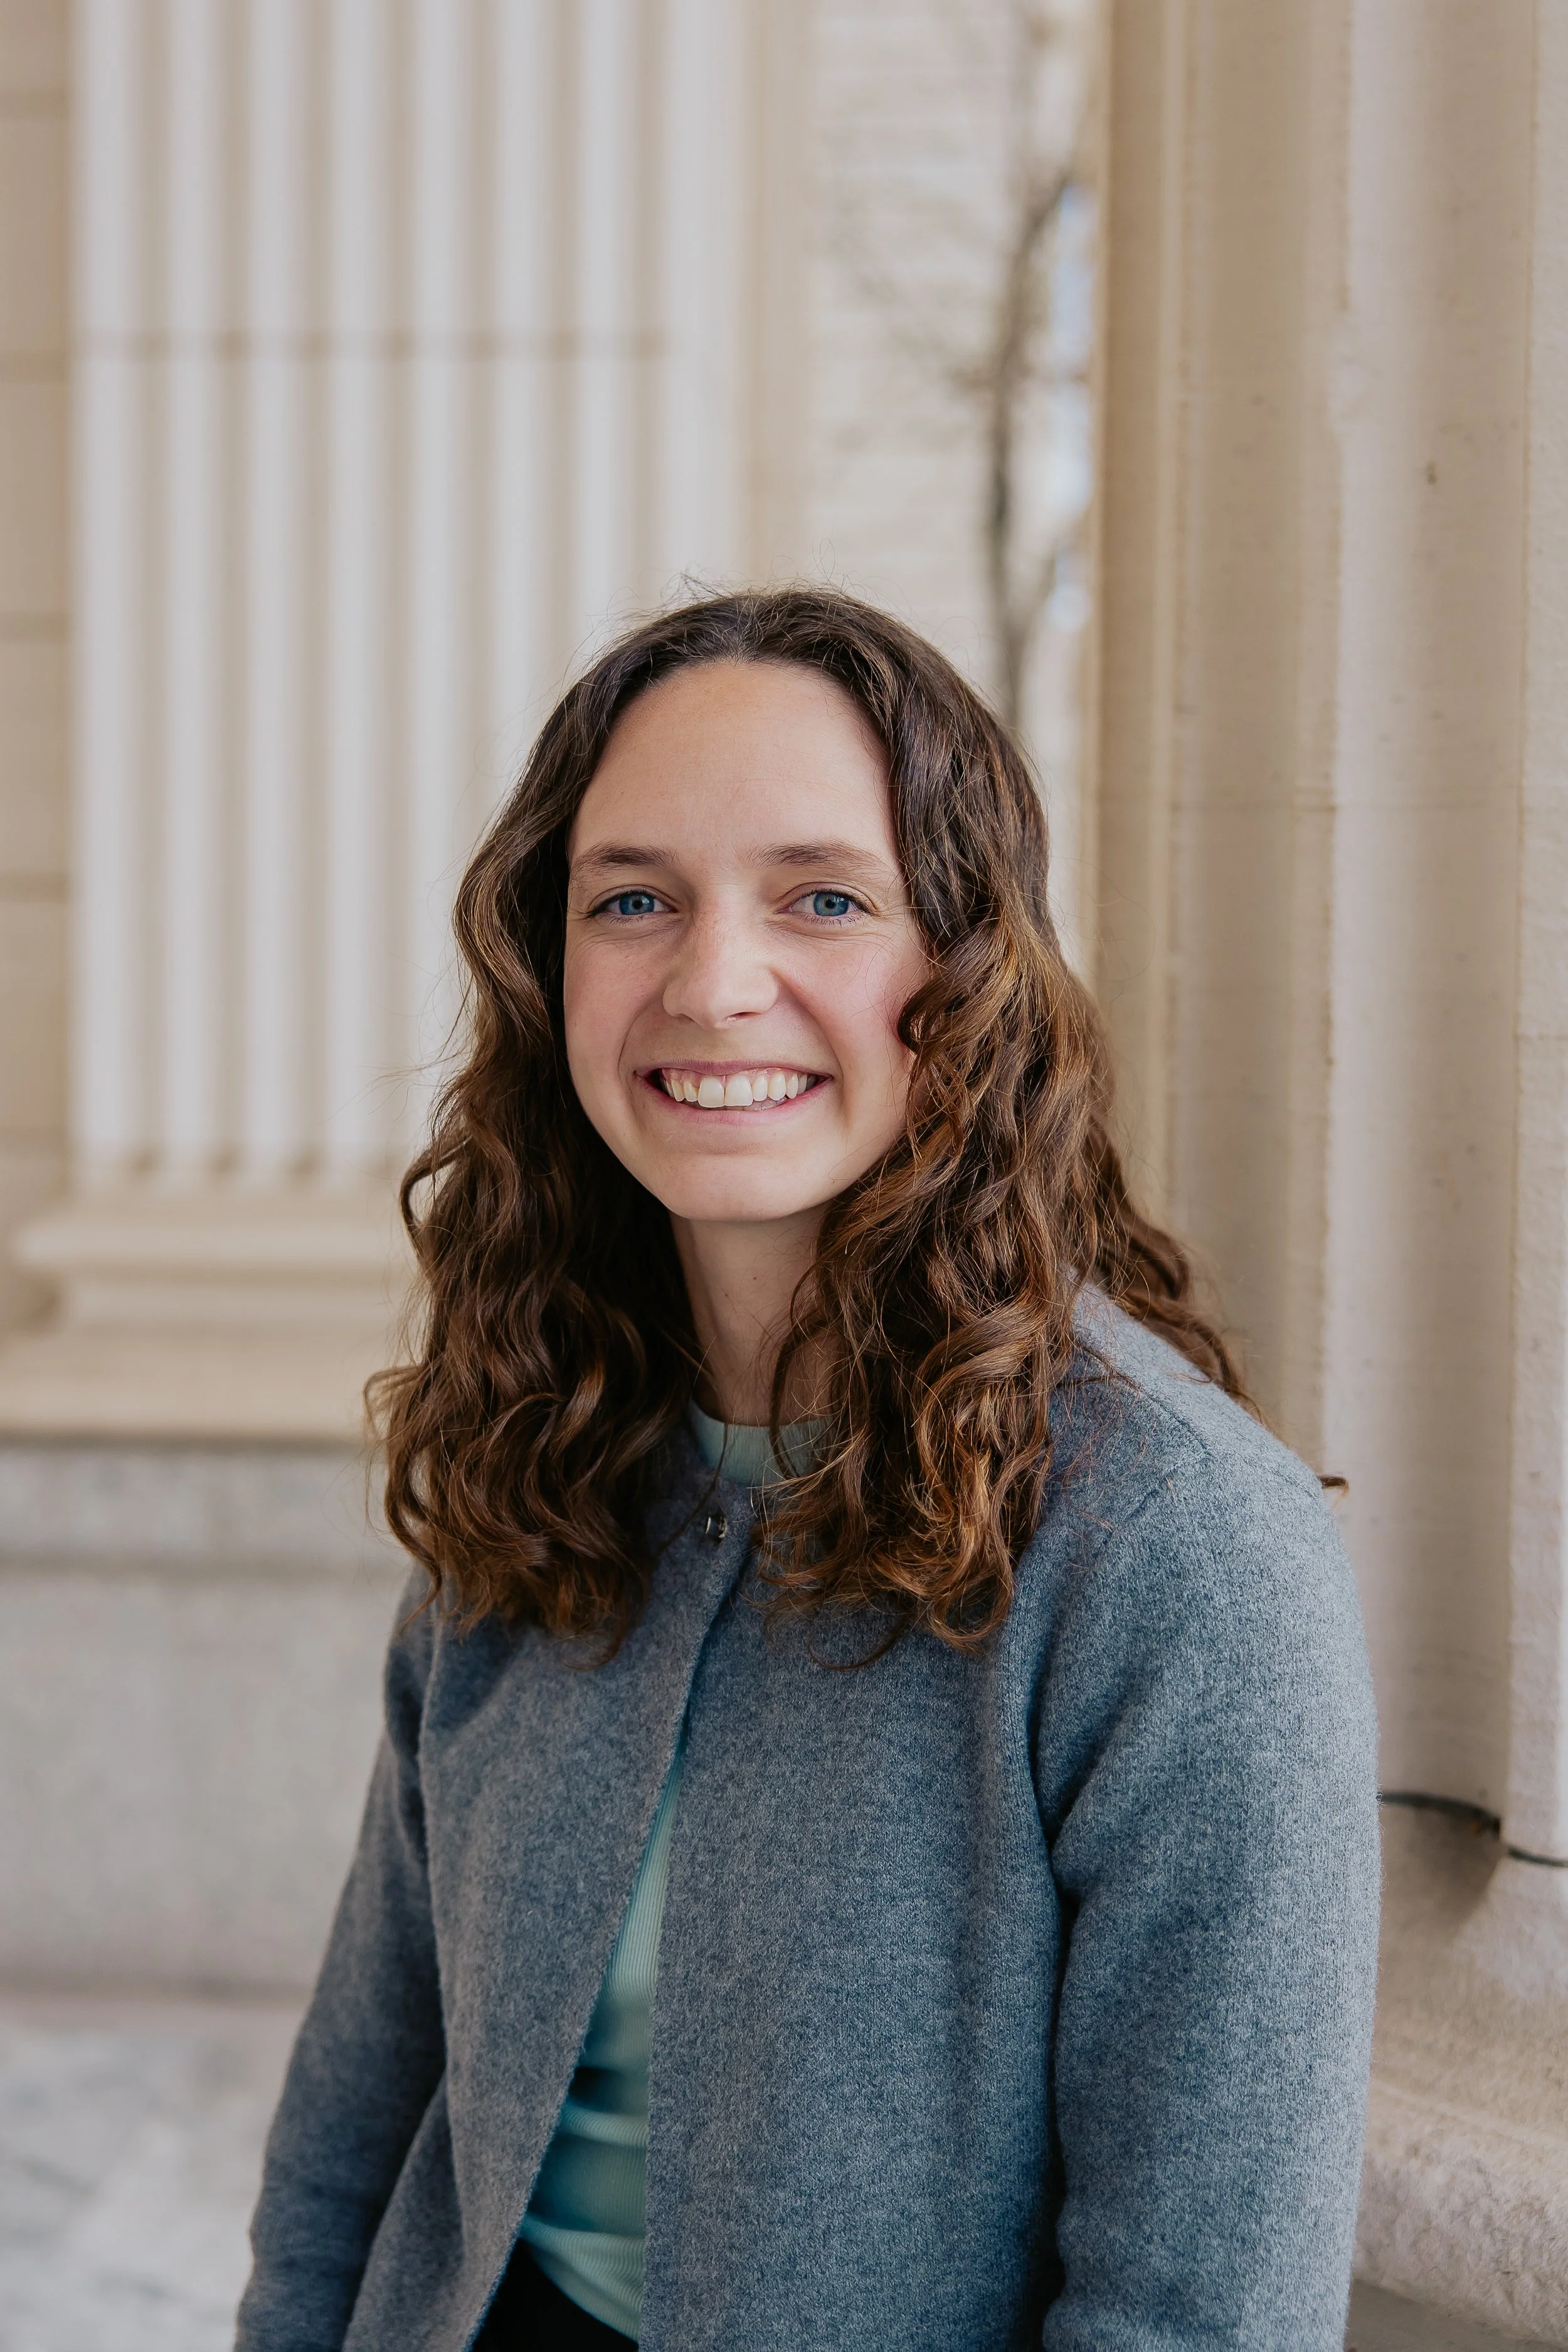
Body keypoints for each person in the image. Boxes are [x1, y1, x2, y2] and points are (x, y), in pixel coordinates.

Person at [235, 588, 1379, 2352]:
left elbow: (1196, 2311)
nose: (710, 980)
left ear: (971, 971)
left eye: (821, 897)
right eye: (632, 898)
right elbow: (360, 2115)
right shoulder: (540, 1440)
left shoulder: (1186, 1557)